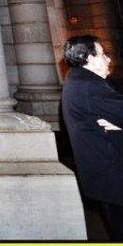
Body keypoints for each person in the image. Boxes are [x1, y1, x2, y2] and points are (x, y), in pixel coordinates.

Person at [61, 34, 123, 239]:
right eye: (103, 54)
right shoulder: (90, 86)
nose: (108, 59)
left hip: (105, 177)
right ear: (88, 58)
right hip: (114, 176)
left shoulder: (76, 79)